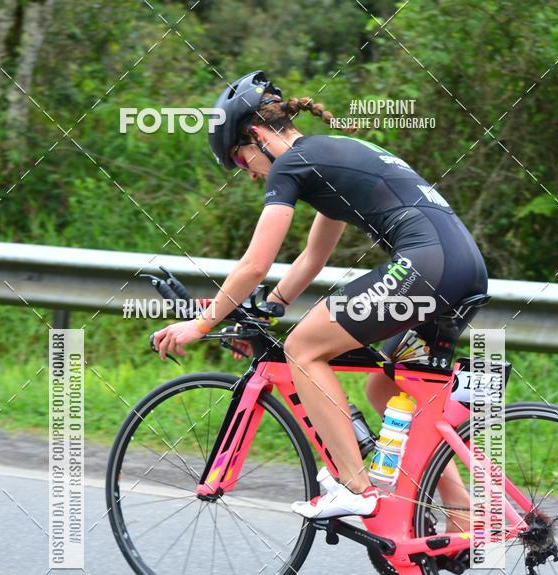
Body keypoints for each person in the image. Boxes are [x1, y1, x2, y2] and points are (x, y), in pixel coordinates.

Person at [153, 71, 488, 522]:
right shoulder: (325, 159)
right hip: (463, 270)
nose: (247, 174)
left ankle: (354, 486)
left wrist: (201, 323)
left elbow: (254, 263)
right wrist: (272, 305)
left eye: (238, 158)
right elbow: (312, 257)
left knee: (304, 348)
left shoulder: (291, 165)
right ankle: (464, 516)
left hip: (428, 267)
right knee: (387, 386)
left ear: (255, 135)